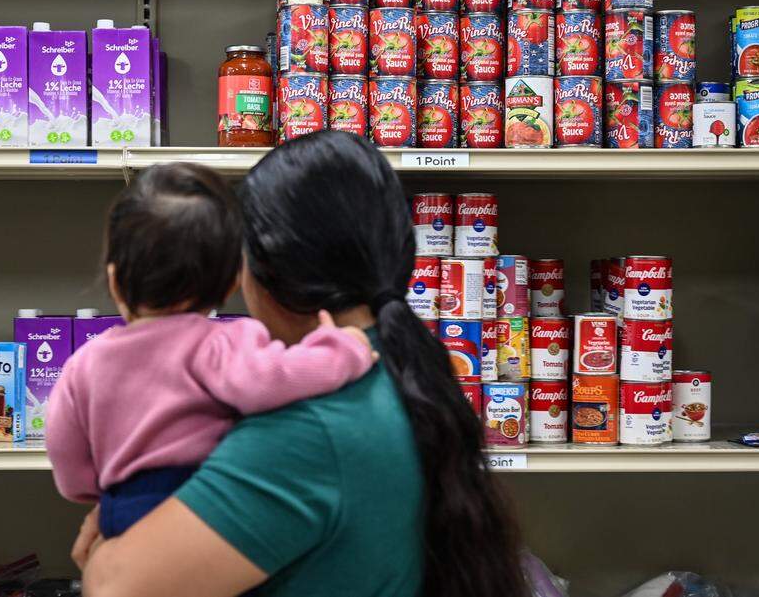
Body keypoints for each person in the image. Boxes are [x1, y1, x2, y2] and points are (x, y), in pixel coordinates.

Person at [74, 131, 527, 597]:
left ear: (266, 272)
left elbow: (115, 588)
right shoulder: (398, 366)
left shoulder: (310, 427)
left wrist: (115, 528)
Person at [45, 162, 377, 539]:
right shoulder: (220, 343)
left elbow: (64, 452)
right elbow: (275, 380)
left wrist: (100, 491)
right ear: (232, 281)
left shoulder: (84, 362)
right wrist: (344, 347)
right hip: (203, 503)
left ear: (115, 281)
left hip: (122, 510)